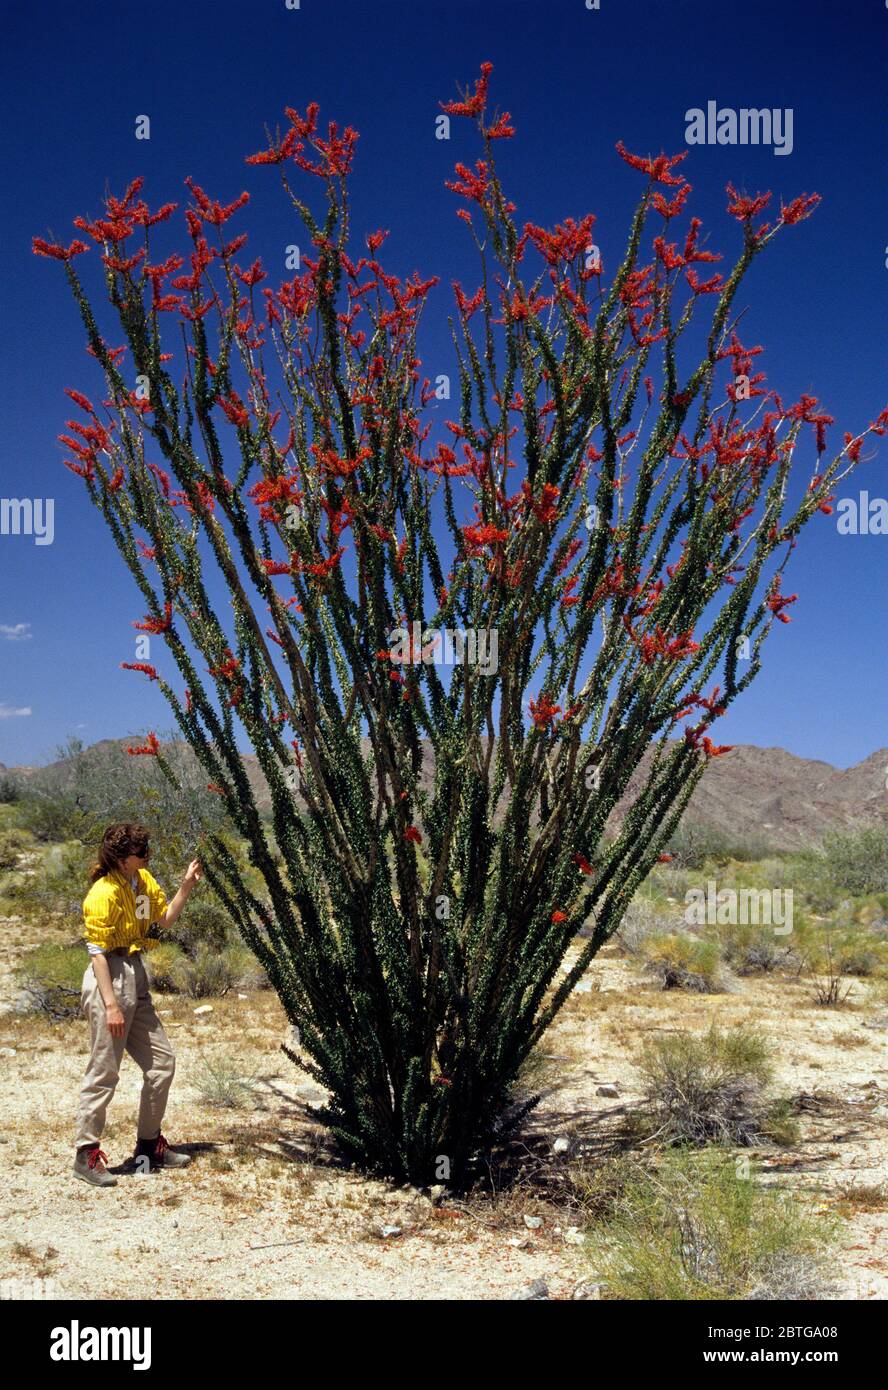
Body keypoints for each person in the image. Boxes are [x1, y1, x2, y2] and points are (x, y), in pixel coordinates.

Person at [72, 822, 202, 1187]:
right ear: (124, 858)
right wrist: (111, 1005)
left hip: (134, 974)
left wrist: (187, 884)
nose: (147, 857)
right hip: (108, 980)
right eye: (142, 853)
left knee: (162, 1063)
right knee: (104, 1069)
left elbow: (163, 920)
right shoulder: (103, 893)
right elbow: (97, 953)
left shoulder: (141, 883)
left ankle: (149, 1146)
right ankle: (86, 1154)